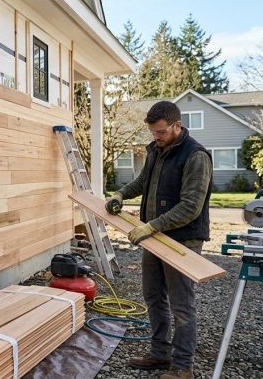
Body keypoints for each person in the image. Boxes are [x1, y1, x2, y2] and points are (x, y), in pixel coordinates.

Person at [104, 101, 212, 379]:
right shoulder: (157, 150)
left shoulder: (195, 156)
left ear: (177, 125)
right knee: (153, 295)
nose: (157, 137)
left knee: (181, 305)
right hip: (154, 236)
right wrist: (120, 194)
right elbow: (142, 182)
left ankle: (182, 367)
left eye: (161, 132)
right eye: (153, 133)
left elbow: (191, 207)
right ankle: (160, 354)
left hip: (182, 241)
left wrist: (151, 226)